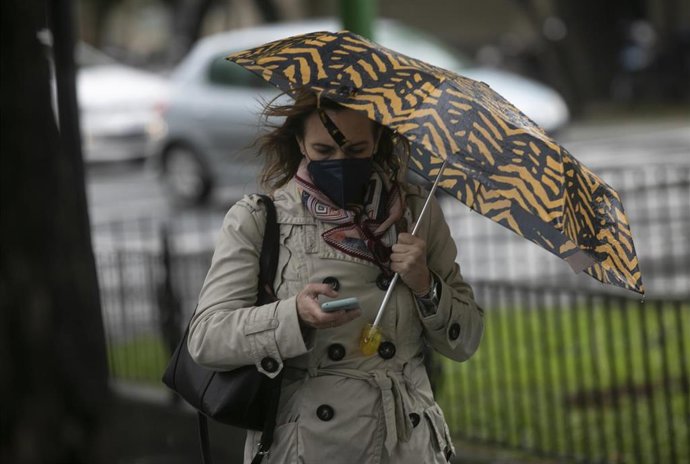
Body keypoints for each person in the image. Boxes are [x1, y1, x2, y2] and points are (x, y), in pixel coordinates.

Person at [187, 91, 484, 463]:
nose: (341, 163)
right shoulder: (259, 219)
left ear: (377, 140)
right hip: (308, 445)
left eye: (357, 149)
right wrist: (294, 316)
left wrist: (426, 285)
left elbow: (466, 341)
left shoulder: (416, 213)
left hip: (407, 446)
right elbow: (206, 338)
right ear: (300, 143)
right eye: (324, 151)